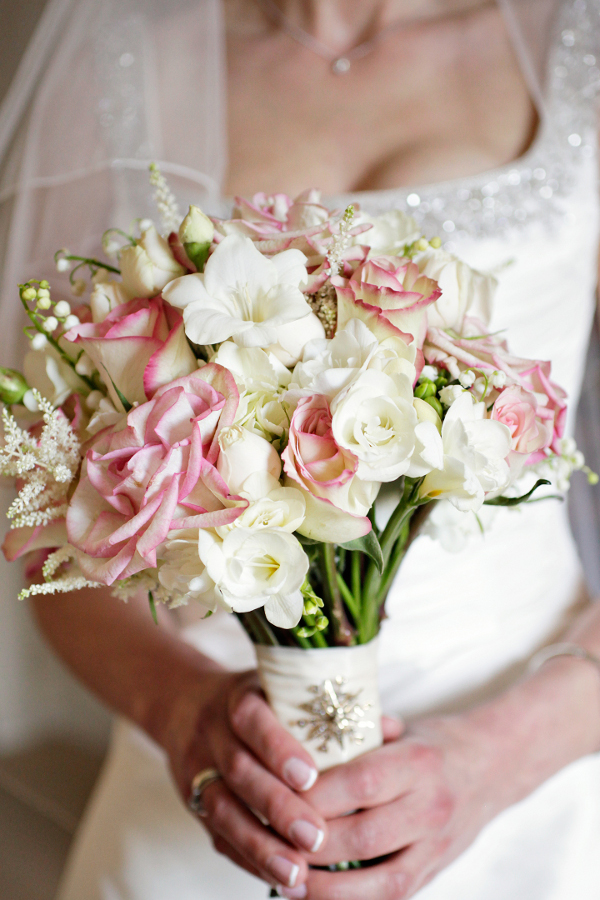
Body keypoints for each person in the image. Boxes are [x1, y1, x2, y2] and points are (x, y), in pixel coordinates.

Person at [1, 0, 599, 897]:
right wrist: (182, 711)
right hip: (219, 784)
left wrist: (491, 762)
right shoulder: (115, 59)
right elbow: (48, 519)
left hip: (536, 779)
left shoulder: (576, 43)